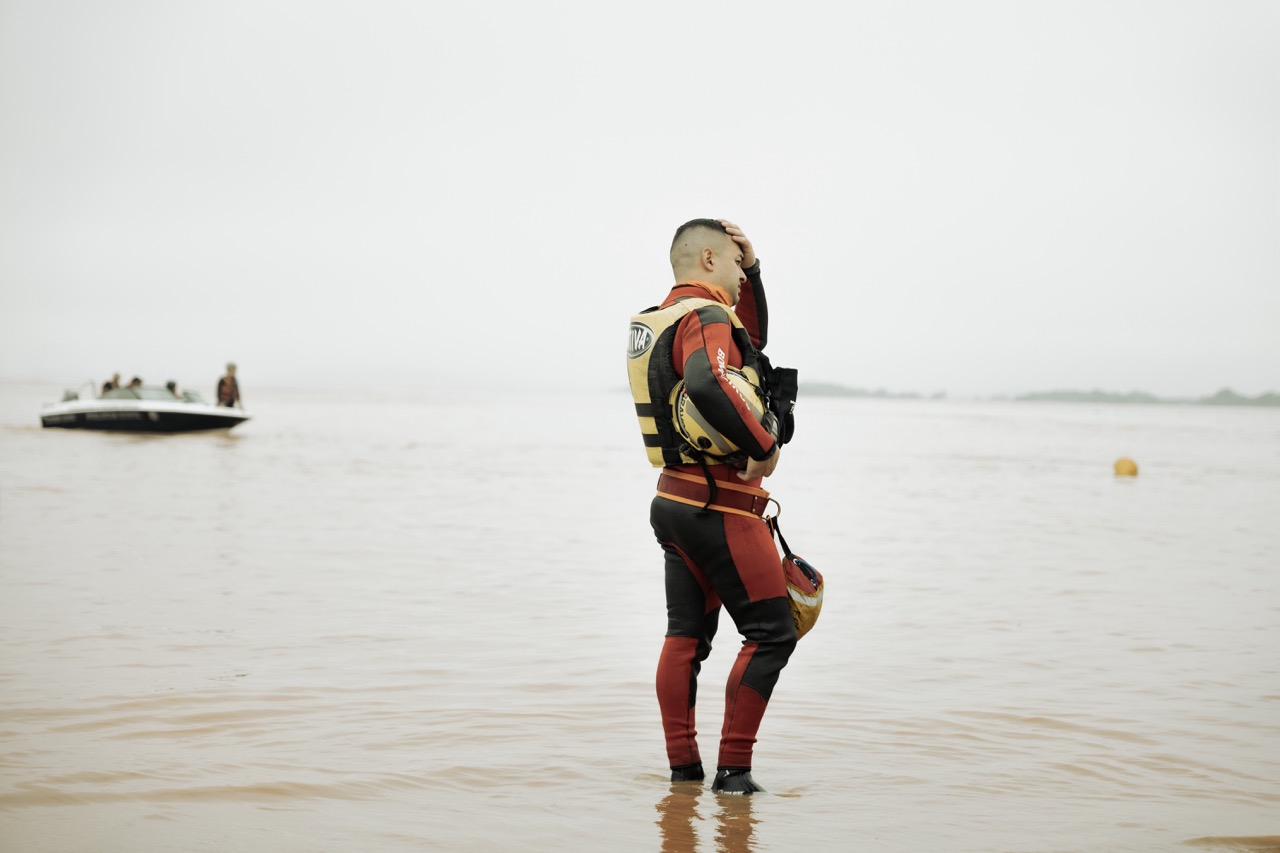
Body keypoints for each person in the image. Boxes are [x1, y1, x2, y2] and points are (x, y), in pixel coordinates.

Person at [626, 219, 795, 795]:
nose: (737, 284)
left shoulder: (661, 320)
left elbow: (751, 345)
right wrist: (764, 447)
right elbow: (708, 382)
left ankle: (683, 774)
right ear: (706, 259)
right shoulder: (707, 315)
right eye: (731, 268)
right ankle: (735, 777)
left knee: (685, 639)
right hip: (720, 505)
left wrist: (753, 270)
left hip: (675, 501)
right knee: (772, 633)